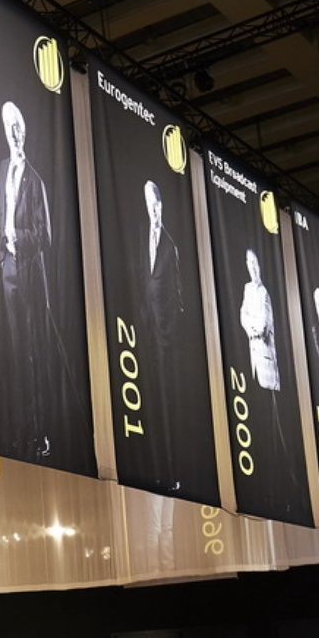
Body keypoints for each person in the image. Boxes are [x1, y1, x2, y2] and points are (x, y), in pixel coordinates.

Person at [0, 100, 55, 460]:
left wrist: (16, 236)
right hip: (8, 272)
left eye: (18, 126)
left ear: (26, 130)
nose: (14, 133)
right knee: (13, 355)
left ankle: (39, 433)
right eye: (9, 127)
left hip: (31, 276)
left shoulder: (36, 180)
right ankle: (18, 433)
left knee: (32, 357)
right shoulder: (2, 168)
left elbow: (45, 235)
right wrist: (2, 251)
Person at [138, 180, 186, 489]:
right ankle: (155, 470)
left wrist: (168, 330)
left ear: (161, 206)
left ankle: (172, 472)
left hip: (166, 341)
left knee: (168, 406)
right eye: (147, 204)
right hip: (147, 335)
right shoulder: (141, 237)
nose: (152, 210)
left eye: (155, 204)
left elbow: (179, 297)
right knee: (151, 404)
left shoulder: (170, 245)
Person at [239, 249, 280, 391]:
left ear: (259, 266)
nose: (252, 267)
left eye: (254, 263)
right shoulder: (247, 289)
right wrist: (251, 329)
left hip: (266, 357)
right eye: (250, 263)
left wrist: (253, 327)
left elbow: (263, 325)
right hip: (254, 355)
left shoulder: (264, 293)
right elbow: (243, 315)